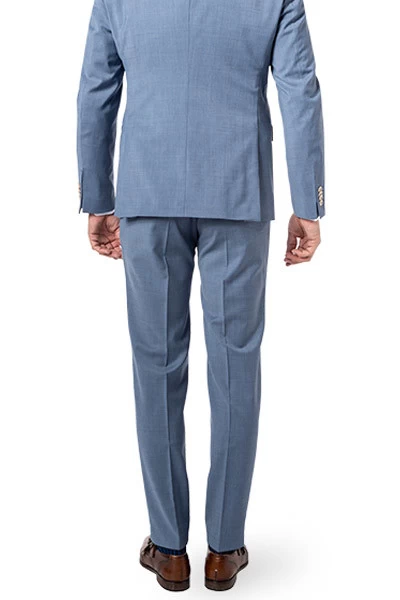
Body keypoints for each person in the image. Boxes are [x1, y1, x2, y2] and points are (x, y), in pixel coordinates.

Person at [76, 0, 325, 591]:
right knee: (236, 366)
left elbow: (95, 92)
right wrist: (308, 202)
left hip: (148, 192)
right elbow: (300, 91)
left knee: (156, 364)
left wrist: (97, 195)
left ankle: (169, 550)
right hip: (238, 192)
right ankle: (224, 548)